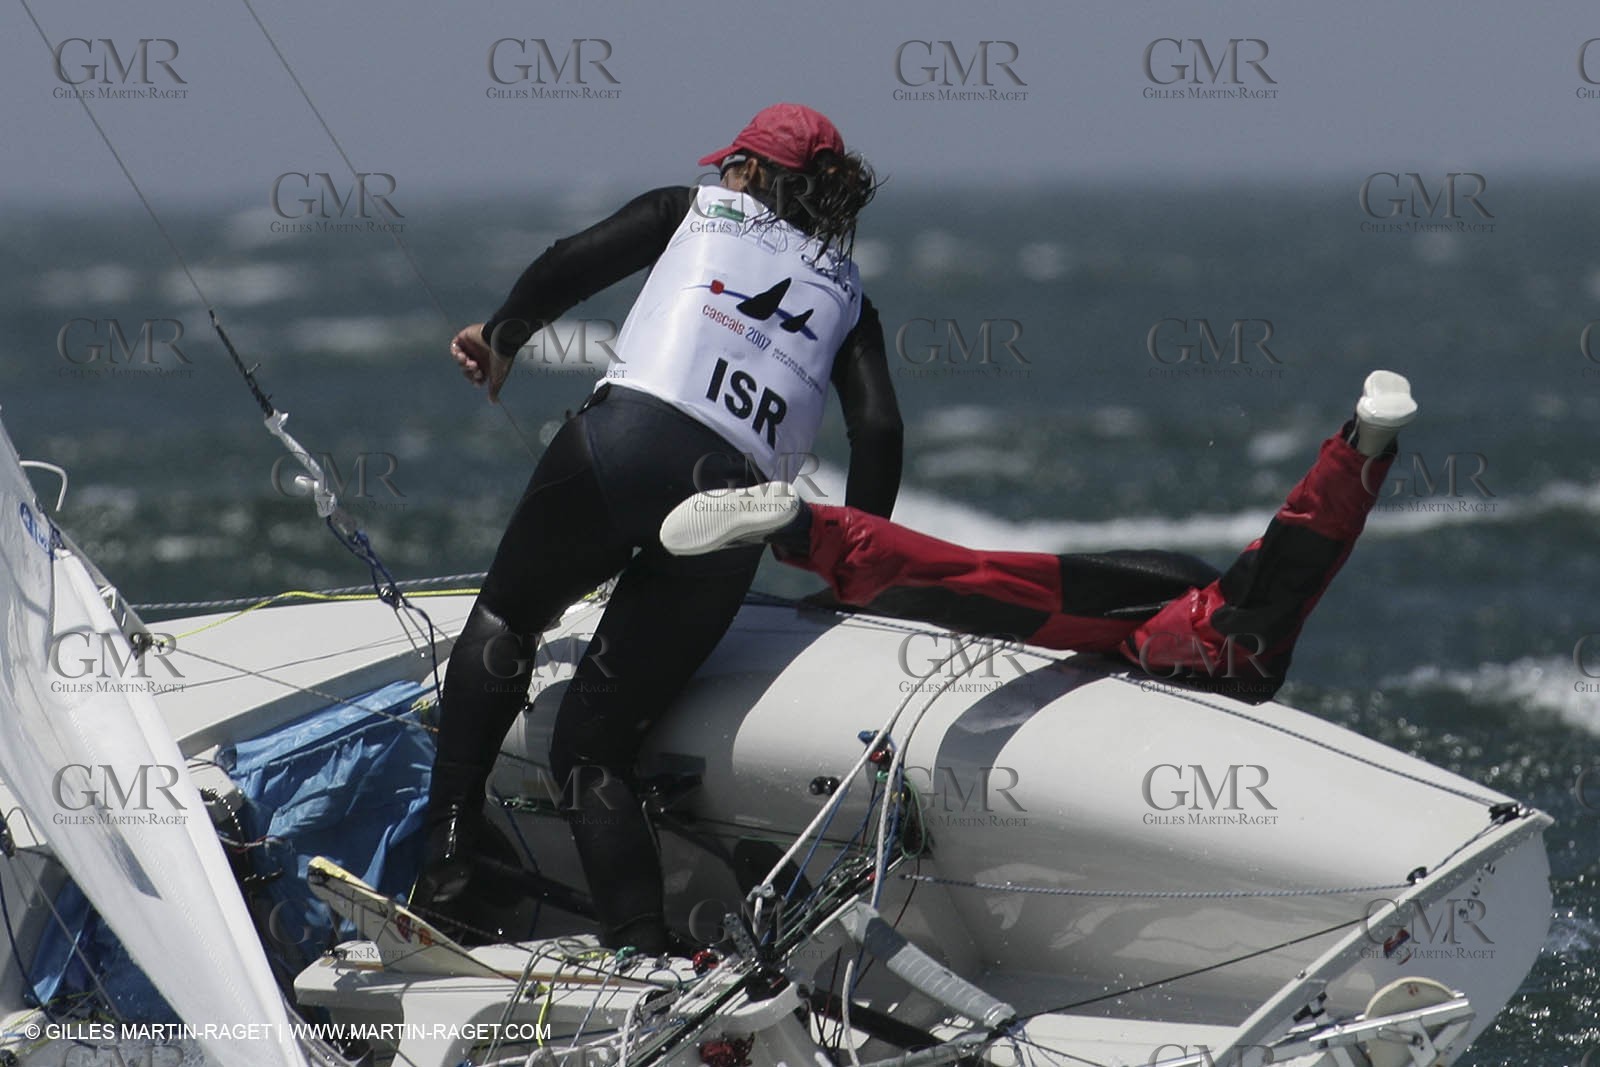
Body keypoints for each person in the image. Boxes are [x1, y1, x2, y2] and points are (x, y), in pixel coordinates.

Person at [415, 104, 904, 951]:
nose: (721, 177)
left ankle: (449, 853)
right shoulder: (851, 298)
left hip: (622, 447)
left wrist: (500, 339)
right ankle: (638, 948)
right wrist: (852, 561)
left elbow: (569, 263)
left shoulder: (691, 209)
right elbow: (881, 432)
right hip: (734, 509)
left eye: (732, 166)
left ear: (750, 172)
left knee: (506, 619)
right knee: (596, 750)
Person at [660, 372, 1417, 704]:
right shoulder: (1239, 649)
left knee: (973, 577)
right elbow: (1304, 548)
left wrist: (1365, 443)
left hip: (1154, 599)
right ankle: (806, 529)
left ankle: (805, 526)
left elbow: (1306, 546)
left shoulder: (1232, 640)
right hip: (1172, 615)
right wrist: (1364, 445)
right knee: (972, 581)